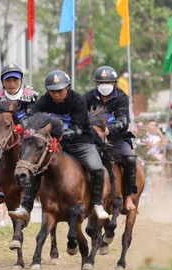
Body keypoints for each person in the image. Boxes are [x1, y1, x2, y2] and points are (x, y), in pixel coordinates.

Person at [8, 70, 110, 222]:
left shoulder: (78, 101)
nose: (56, 94)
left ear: (67, 88)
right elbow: (31, 116)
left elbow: (77, 128)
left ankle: (97, 204)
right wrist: (25, 125)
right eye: (52, 91)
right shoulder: (45, 100)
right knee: (36, 167)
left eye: (59, 91)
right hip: (57, 146)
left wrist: (61, 135)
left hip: (80, 143)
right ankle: (26, 208)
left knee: (97, 168)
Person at [0, 63, 37, 208]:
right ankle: (0, 191)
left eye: (15, 80)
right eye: (8, 81)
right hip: (5, 136)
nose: (12, 84)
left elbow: (34, 114)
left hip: (26, 133)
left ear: (20, 81)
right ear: (3, 82)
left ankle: (43, 186)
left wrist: (24, 127)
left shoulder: (30, 96)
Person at [83, 66, 137, 210]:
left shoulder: (121, 97)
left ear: (114, 83)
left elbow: (124, 121)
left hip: (117, 138)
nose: (104, 86)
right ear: (96, 83)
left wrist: (108, 130)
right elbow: (79, 116)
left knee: (130, 159)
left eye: (108, 83)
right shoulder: (88, 97)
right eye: (101, 83)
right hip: (93, 139)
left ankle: (128, 197)